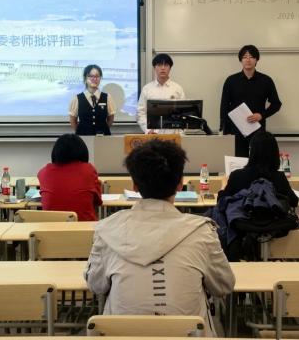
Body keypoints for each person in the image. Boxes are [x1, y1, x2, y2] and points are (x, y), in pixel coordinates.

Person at [84, 139, 235, 336]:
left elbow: (96, 285)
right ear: (180, 184)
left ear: (134, 185)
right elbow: (224, 285)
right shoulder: (202, 232)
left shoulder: (107, 229)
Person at [220, 45, 282, 157]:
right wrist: (225, 131)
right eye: (245, 57)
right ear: (240, 60)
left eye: (251, 57)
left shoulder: (266, 80)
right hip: (235, 132)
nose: (248, 60)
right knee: (238, 163)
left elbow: (276, 104)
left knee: (258, 162)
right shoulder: (231, 80)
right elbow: (224, 106)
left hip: (257, 131)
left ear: (257, 60)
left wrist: (261, 115)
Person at [218, 131, 298, 208]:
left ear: (252, 152)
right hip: (273, 217)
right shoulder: (279, 177)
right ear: (275, 153)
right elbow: (294, 202)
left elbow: (221, 202)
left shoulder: (237, 176)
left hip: (242, 217)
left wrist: (223, 186)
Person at [37, 134, 102, 221]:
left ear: (56, 152)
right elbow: (98, 201)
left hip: (50, 227)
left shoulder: (44, 172)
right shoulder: (89, 170)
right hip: (85, 227)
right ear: (83, 152)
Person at [137, 53, 185, 134]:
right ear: (154, 68)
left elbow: (184, 113)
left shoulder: (177, 89)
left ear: (170, 68)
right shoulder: (147, 89)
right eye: (159, 65)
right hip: (153, 135)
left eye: (166, 65)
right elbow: (140, 112)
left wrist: (179, 133)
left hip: (174, 135)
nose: (163, 68)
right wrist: (148, 130)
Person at [69, 64, 116, 135]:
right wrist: (80, 132)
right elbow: (73, 120)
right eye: (91, 76)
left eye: (97, 76)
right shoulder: (77, 98)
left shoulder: (107, 97)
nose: (94, 79)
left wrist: (103, 129)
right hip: (83, 137)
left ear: (100, 78)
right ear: (85, 78)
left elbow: (110, 119)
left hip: (103, 137)